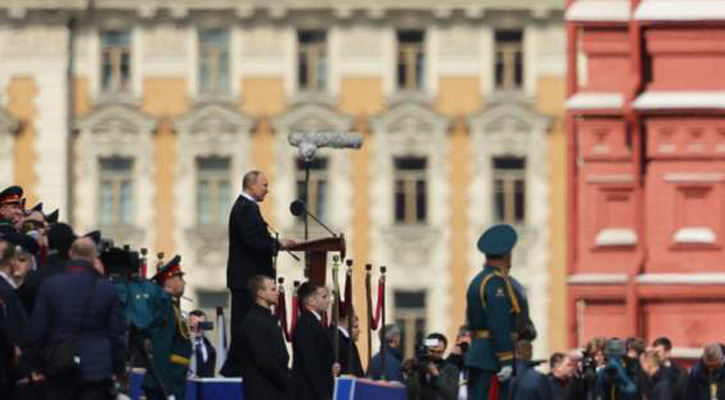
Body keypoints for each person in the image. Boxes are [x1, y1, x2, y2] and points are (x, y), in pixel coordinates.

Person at [28, 237, 125, 400]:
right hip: (97, 367)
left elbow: (38, 329)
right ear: (95, 257)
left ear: (71, 254)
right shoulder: (107, 288)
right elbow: (116, 334)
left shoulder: (51, 285)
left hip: (59, 364)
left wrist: (35, 365)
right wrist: (118, 369)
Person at [223, 170, 295, 376]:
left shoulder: (247, 207)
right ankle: (235, 369)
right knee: (244, 328)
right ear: (251, 185)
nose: (267, 189)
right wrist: (278, 244)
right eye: (264, 185)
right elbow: (253, 240)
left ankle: (244, 367)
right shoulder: (245, 208)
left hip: (248, 280)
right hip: (247, 281)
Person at [465, 224, 522, 400]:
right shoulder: (495, 283)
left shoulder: (478, 280)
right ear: (506, 255)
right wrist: (505, 359)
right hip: (492, 358)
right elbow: (499, 323)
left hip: (479, 354)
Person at [143, 256, 192, 400]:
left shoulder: (171, 305)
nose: (184, 282)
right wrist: (165, 387)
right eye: (180, 278)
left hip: (174, 378)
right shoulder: (165, 305)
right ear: (169, 282)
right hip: (167, 379)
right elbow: (162, 345)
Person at [239, 275, 290, 400]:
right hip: (264, 392)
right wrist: (289, 382)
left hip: (276, 390)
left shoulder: (268, 319)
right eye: (272, 289)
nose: (277, 292)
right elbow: (265, 361)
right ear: (261, 294)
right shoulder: (254, 321)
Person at [290, 281, 335, 400]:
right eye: (324, 297)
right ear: (311, 301)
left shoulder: (314, 323)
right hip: (309, 392)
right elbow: (311, 363)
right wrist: (324, 395)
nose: (329, 300)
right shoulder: (305, 324)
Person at [333, 312, 364, 377]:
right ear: (348, 318)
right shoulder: (343, 341)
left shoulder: (346, 341)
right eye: (355, 327)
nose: (359, 330)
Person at [188, 310, 217, 378]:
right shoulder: (183, 346)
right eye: (195, 324)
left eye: (201, 324)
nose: (198, 328)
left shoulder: (211, 350)